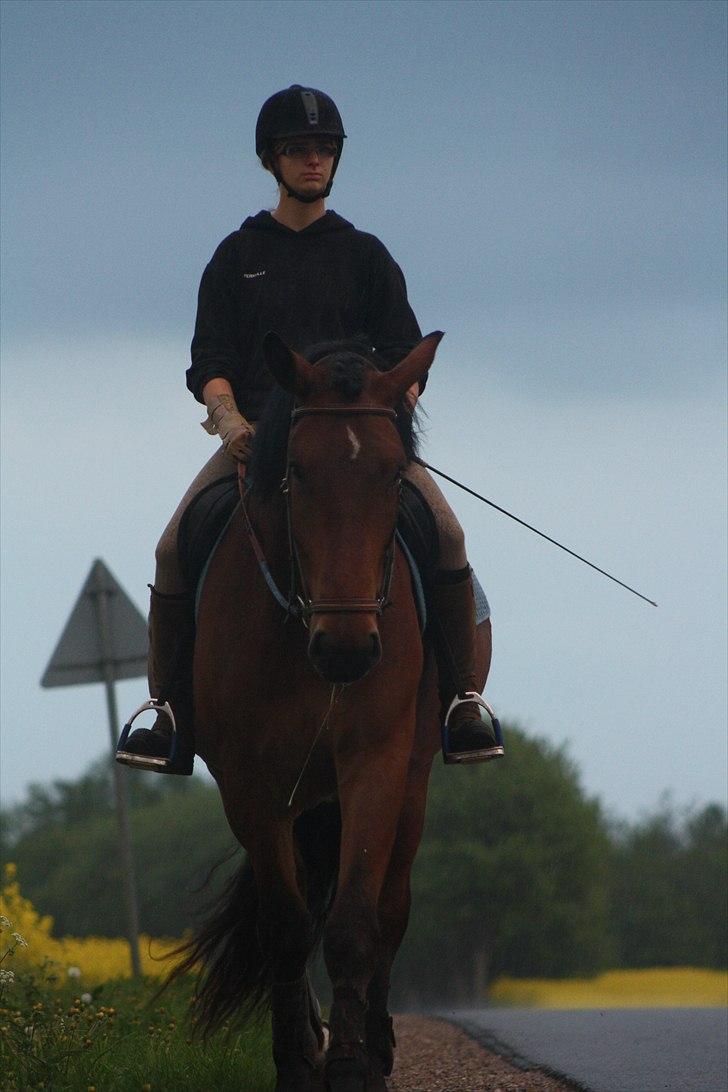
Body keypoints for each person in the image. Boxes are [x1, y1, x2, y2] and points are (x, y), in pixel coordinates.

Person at [117, 85, 501, 775]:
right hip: (264, 438)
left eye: (324, 149)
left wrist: (395, 406)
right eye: (299, 150)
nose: (313, 161)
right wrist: (230, 421)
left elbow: (406, 356)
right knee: (172, 546)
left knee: (448, 535)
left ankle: (461, 701)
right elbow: (211, 360)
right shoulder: (237, 255)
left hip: (357, 443)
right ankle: (166, 713)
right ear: (272, 160)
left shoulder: (366, 255)